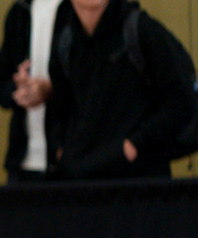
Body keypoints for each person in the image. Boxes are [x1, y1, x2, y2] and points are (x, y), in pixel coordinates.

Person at [48, 0, 198, 180]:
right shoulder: (66, 40)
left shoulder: (141, 29)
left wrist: (135, 145)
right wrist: (61, 152)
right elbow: (58, 109)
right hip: (82, 184)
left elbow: (182, 100)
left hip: (140, 184)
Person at [0, 0, 72, 182]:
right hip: (23, 159)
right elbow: (0, 85)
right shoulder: (20, 9)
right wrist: (19, 87)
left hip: (71, 157)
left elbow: (94, 86)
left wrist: (50, 90)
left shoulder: (81, 8)